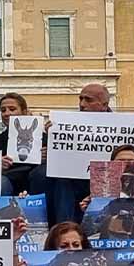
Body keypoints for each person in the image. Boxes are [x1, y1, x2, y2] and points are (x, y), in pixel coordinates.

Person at [35, 83, 113, 225]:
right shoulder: (68, 122)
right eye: (80, 99)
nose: (82, 104)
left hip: (105, 177)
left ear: (104, 105)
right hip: (74, 179)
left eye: (88, 100)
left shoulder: (121, 126)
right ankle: (64, 230)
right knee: (52, 178)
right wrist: (52, 139)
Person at [0, 92, 43, 196]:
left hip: (35, 183)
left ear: (24, 112)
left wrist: (48, 154)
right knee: (2, 181)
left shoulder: (43, 139)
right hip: (8, 183)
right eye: (3, 110)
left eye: (12, 109)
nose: (6, 113)